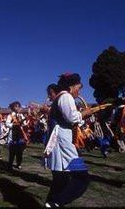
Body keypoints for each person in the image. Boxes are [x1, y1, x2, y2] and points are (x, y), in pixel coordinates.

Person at [44, 73, 92, 207]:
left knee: (60, 181)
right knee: (83, 178)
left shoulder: (61, 97)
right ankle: (56, 203)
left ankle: (50, 204)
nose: (79, 91)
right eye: (78, 87)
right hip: (63, 144)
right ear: (72, 86)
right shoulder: (65, 96)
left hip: (61, 142)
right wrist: (85, 113)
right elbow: (72, 118)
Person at [6, 101, 28, 170]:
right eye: (16, 106)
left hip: (20, 135)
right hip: (13, 134)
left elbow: (24, 124)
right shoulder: (10, 115)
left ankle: (18, 164)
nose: (17, 108)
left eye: (18, 106)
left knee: (20, 151)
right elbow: (7, 124)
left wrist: (25, 120)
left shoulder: (21, 115)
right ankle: (10, 164)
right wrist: (14, 125)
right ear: (13, 107)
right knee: (12, 151)